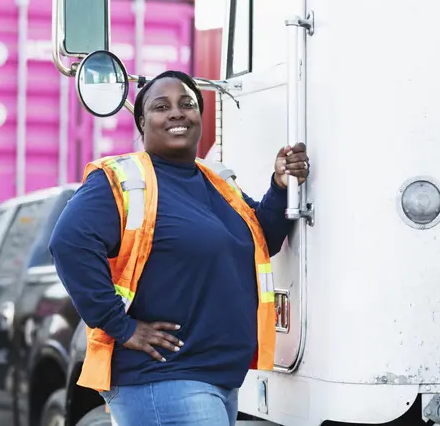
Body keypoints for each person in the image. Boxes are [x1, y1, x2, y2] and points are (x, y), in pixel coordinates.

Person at [48, 70, 310, 426]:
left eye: (187, 104)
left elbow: (261, 239)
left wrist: (281, 185)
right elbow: (69, 243)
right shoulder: (122, 179)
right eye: (161, 106)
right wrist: (121, 326)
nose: (176, 112)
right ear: (142, 122)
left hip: (215, 379)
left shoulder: (217, 183)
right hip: (163, 380)